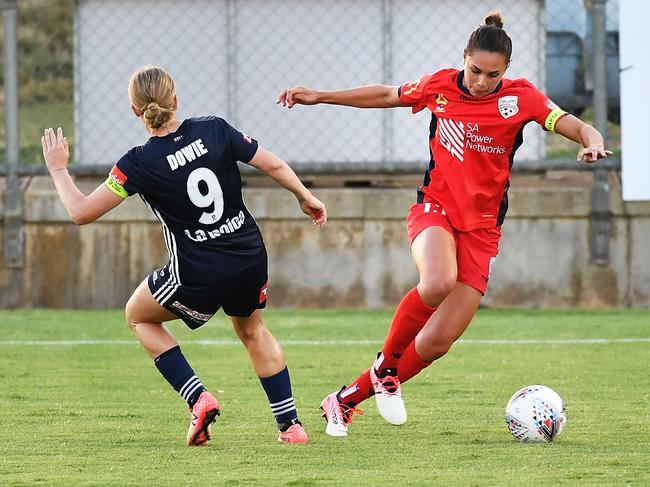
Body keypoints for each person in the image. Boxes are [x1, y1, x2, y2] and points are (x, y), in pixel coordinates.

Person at [278, 11, 612, 437]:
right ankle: (386, 370)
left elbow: (574, 124)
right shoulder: (439, 87)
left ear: (506, 71)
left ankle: (342, 401)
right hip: (434, 210)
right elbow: (385, 95)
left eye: (492, 74)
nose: (480, 81)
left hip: (483, 230)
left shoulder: (521, 98)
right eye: (474, 70)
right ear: (464, 59)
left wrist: (594, 141)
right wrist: (320, 96)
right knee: (437, 281)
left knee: (436, 343)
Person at [41, 65, 327, 445]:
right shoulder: (215, 128)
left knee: (138, 316)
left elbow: (81, 212)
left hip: (198, 272)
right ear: (176, 100)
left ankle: (198, 399)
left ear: (134, 111)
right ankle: (291, 427)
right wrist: (305, 197)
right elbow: (271, 163)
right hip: (248, 255)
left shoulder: (137, 163)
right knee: (253, 330)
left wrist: (59, 169)